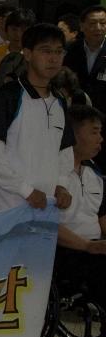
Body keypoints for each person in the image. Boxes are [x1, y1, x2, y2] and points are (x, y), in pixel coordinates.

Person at [0, 23, 74, 217]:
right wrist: (25, 190)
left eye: (59, 52)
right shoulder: (9, 96)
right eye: (46, 51)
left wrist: (62, 185)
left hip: (45, 208)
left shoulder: (59, 101)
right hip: (6, 207)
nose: (53, 58)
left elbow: (65, 150)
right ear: (27, 54)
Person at [54, 105, 106, 316]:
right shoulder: (53, 174)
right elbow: (46, 225)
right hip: (65, 253)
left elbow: (102, 219)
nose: (100, 138)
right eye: (94, 132)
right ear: (72, 133)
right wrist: (87, 246)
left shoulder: (95, 174)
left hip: (94, 250)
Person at [67, 5, 106, 108]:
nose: (98, 27)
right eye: (93, 23)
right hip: (74, 113)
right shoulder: (70, 50)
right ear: (82, 26)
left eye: (103, 23)